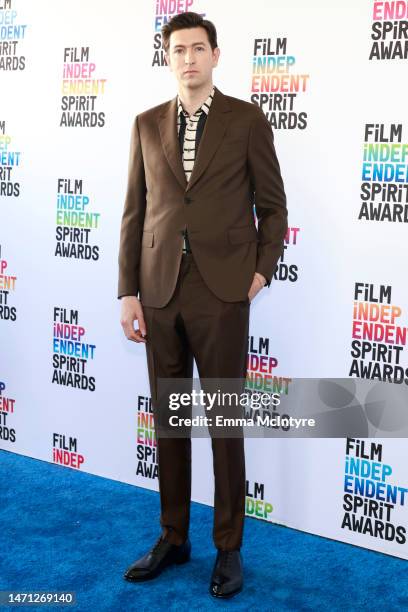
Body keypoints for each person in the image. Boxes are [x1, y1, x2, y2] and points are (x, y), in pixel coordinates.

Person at [117, 11, 287, 599]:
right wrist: (128, 292)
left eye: (197, 49)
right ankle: (173, 535)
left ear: (216, 55)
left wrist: (260, 271)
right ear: (168, 59)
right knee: (169, 423)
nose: (188, 59)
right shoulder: (144, 124)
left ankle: (229, 548)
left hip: (222, 292)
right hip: (159, 291)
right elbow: (134, 214)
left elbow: (274, 205)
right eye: (178, 50)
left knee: (223, 424)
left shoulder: (246, 120)